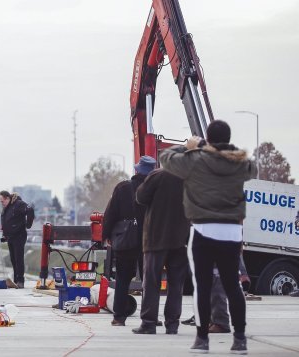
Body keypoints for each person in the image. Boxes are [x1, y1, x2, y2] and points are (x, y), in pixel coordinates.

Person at [160, 119, 255, 354]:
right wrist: (230, 151)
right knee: (233, 286)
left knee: (202, 287)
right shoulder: (240, 163)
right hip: (232, 231)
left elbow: (166, 158)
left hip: (203, 229)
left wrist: (190, 146)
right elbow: (253, 168)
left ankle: (202, 340)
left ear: (208, 139)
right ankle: (240, 339)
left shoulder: (195, 161)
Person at [132, 167, 190, 335]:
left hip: (156, 238)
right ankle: (172, 324)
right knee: (176, 284)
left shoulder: (158, 175)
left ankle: (149, 323)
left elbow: (140, 197)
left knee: (151, 281)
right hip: (180, 239)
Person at [102, 155, 154, 326]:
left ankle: (119, 316)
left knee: (123, 278)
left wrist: (106, 235)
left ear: (137, 170)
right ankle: (149, 317)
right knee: (149, 279)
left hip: (126, 240)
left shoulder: (123, 188)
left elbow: (110, 214)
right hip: (149, 239)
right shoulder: (155, 189)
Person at [0, 190, 32, 289]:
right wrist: (5, 235)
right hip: (10, 237)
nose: (2, 203)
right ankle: (16, 280)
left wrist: (28, 224)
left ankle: (20, 281)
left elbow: (30, 210)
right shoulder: (6, 208)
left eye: (2, 201)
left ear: (8, 198)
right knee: (13, 259)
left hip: (19, 235)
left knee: (18, 258)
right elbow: (6, 221)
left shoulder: (18, 204)